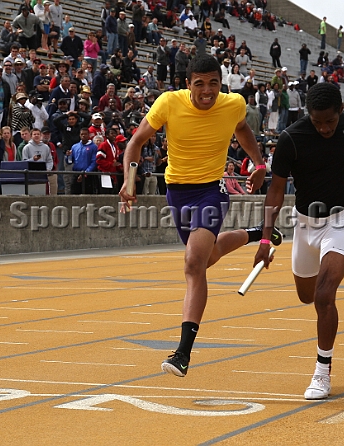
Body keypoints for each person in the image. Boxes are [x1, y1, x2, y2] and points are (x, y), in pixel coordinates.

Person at [119, 55, 280, 378]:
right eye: (199, 84)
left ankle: (183, 353)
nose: (207, 91)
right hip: (177, 192)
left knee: (193, 264)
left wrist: (259, 164)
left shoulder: (233, 103)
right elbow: (136, 141)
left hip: (211, 190)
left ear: (222, 84)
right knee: (209, 256)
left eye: (213, 84)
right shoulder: (168, 103)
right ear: (188, 84)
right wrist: (129, 179)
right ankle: (254, 234)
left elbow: (243, 130)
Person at [254, 82, 344, 400]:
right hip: (305, 224)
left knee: (324, 296)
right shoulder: (292, 138)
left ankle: (321, 371)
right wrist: (264, 240)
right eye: (317, 122)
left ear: (340, 113)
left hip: (340, 220)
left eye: (329, 121)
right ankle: (323, 336)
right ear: (308, 115)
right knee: (307, 296)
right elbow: (275, 190)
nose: (324, 128)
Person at [70, 126, 97, 194]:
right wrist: (68, 156)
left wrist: (86, 173)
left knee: (87, 194)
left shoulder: (93, 147)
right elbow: (70, 161)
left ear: (88, 135)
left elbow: (94, 162)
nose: (83, 136)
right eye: (82, 134)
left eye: (85, 134)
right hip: (76, 173)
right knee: (74, 193)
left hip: (87, 174)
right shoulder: (74, 146)